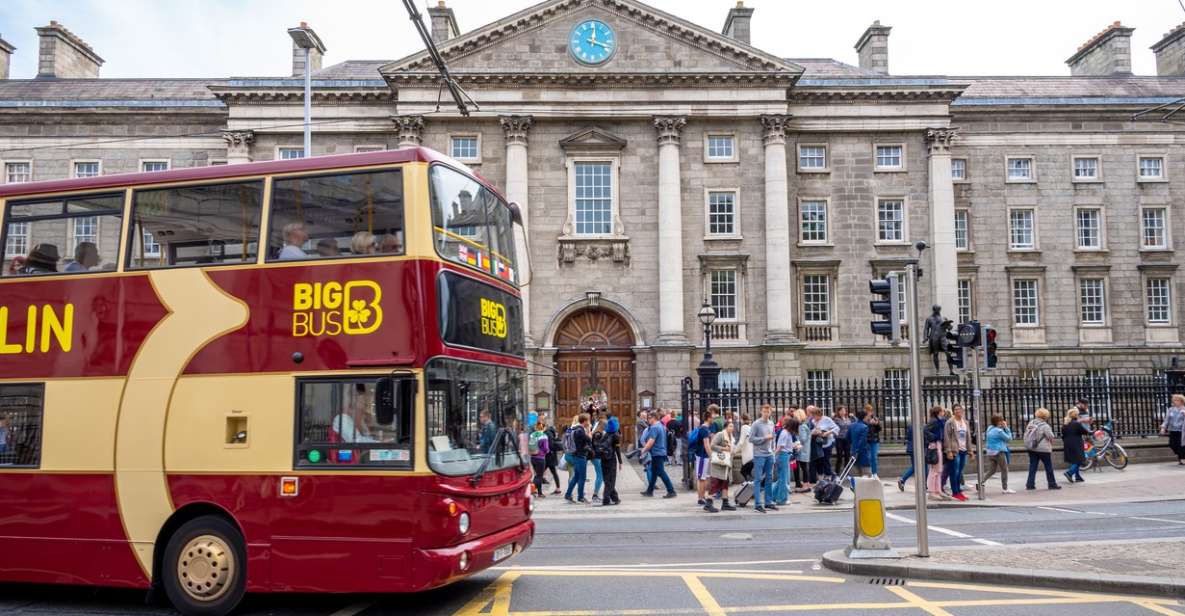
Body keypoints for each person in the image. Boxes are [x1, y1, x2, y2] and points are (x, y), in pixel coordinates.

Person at [639, 411, 676, 498]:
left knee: (661, 472)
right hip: (660, 451)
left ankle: (671, 490)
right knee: (655, 472)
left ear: (653, 418)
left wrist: (643, 450)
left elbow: (651, 441)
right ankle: (650, 490)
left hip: (657, 453)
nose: (648, 420)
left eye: (649, 418)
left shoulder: (654, 427)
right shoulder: (661, 425)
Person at [1024, 408, 1062, 491]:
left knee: (1033, 467)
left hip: (1032, 448)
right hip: (1043, 449)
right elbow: (1051, 436)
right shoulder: (1045, 426)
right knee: (1048, 467)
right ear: (1045, 416)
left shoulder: (1031, 423)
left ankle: (1030, 484)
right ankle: (1052, 484)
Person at [749, 404, 777, 513]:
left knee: (769, 478)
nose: (766, 413)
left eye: (768, 411)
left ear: (770, 412)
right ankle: (757, 504)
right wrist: (764, 438)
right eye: (764, 411)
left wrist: (773, 452)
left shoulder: (771, 423)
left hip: (769, 454)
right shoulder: (756, 424)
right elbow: (751, 439)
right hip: (759, 455)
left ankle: (768, 502)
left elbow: (773, 438)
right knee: (758, 479)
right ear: (761, 412)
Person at [942, 404, 973, 501]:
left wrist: (970, 451)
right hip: (955, 450)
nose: (958, 411)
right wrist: (948, 451)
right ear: (953, 411)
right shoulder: (950, 422)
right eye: (956, 409)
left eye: (959, 409)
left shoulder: (965, 422)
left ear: (963, 411)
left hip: (963, 450)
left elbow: (968, 437)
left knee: (959, 472)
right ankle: (955, 492)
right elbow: (946, 437)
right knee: (954, 472)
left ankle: (959, 491)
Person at [690, 405, 718, 510]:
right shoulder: (704, 430)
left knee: (703, 477)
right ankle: (700, 498)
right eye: (712, 417)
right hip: (702, 456)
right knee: (701, 478)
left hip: (702, 456)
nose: (713, 419)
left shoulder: (704, 429)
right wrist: (711, 456)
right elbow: (706, 444)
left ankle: (702, 497)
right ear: (709, 418)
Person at [707, 420, 737, 511]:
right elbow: (712, 445)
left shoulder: (731, 437)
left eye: (733, 426)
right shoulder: (720, 434)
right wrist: (724, 448)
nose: (732, 428)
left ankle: (725, 503)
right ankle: (708, 503)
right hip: (718, 464)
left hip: (726, 464)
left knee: (725, 483)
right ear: (725, 427)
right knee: (715, 483)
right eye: (730, 426)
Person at [982, 415, 1015, 494]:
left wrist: (1002, 427)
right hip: (999, 452)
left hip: (990, 452)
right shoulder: (999, 431)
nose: (1003, 421)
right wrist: (1006, 428)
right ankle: (1005, 488)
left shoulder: (989, 428)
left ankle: (980, 482)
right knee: (1004, 470)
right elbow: (1009, 439)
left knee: (992, 470)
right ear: (998, 422)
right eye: (1001, 420)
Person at [564, 413, 593, 503]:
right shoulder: (580, 430)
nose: (589, 422)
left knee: (576, 477)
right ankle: (580, 497)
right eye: (588, 420)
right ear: (584, 421)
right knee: (582, 478)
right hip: (580, 456)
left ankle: (568, 495)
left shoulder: (576, 429)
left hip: (576, 455)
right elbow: (588, 440)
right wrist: (589, 432)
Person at [592, 421, 622, 506]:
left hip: (603, 458)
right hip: (611, 459)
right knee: (611, 480)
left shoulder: (604, 434)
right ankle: (606, 498)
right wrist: (620, 461)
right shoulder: (615, 435)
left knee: (606, 479)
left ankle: (615, 498)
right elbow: (617, 450)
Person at [771, 415, 798, 506]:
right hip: (783, 456)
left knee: (781, 479)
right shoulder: (785, 433)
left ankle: (773, 496)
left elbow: (784, 446)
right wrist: (774, 455)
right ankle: (781, 499)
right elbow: (780, 447)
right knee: (784, 479)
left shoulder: (785, 432)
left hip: (783, 455)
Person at [809, 406, 839, 481]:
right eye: (812, 415)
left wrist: (828, 432)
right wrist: (814, 432)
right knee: (820, 461)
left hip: (827, 443)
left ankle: (830, 476)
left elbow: (836, 428)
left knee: (826, 460)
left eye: (814, 415)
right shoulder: (812, 421)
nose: (813, 417)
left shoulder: (827, 419)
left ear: (818, 414)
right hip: (818, 444)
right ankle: (825, 477)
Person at [1062, 408, 1090, 484]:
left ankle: (1077, 477)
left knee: (1075, 460)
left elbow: (1063, 434)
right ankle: (1069, 473)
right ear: (1075, 415)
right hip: (1076, 443)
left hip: (1067, 443)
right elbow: (1085, 431)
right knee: (1080, 460)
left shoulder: (1066, 423)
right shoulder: (1076, 423)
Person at [925, 406, 947, 499]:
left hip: (938, 444)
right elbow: (925, 430)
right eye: (942, 411)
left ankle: (938, 490)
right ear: (938, 412)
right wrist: (934, 437)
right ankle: (931, 491)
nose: (943, 412)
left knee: (939, 469)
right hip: (934, 445)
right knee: (934, 469)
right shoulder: (934, 421)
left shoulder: (939, 421)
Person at [1161, 394, 1185, 465]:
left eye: (1176, 400)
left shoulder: (1184, 409)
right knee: (1172, 444)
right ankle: (1181, 457)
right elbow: (1166, 420)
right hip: (1173, 430)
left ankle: (1182, 458)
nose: (1174, 402)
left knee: (1180, 445)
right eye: (1174, 400)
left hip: (1182, 431)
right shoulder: (1170, 409)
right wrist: (1163, 428)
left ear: (1181, 401)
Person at [848, 409, 871, 483]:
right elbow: (862, 441)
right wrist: (858, 451)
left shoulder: (851, 425)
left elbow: (847, 438)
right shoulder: (865, 427)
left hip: (853, 451)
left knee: (859, 474)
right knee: (867, 474)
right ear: (864, 417)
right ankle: (866, 491)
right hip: (862, 452)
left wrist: (854, 448)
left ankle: (860, 491)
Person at [528, 420, 550, 498]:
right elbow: (546, 448)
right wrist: (546, 452)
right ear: (543, 427)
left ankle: (539, 492)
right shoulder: (544, 436)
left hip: (533, 457)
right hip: (540, 458)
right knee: (539, 476)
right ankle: (531, 490)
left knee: (537, 475)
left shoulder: (532, 435)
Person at [543, 414, 563, 494]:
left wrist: (545, 450)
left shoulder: (547, 433)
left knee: (539, 473)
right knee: (553, 472)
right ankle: (558, 488)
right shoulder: (550, 432)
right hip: (551, 456)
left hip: (549, 456)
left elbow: (550, 445)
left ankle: (536, 489)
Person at [794, 408, 812, 493]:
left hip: (802, 451)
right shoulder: (804, 425)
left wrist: (795, 440)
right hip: (804, 451)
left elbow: (802, 439)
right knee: (805, 468)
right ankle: (807, 484)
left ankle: (805, 486)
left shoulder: (801, 427)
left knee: (804, 468)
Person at [864, 403, 883, 478]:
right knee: (869, 457)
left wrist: (877, 424)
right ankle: (869, 473)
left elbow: (879, 429)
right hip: (867, 440)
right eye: (868, 411)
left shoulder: (875, 418)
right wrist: (869, 424)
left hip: (875, 440)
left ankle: (874, 473)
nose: (869, 412)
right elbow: (863, 429)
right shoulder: (864, 420)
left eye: (870, 411)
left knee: (874, 457)